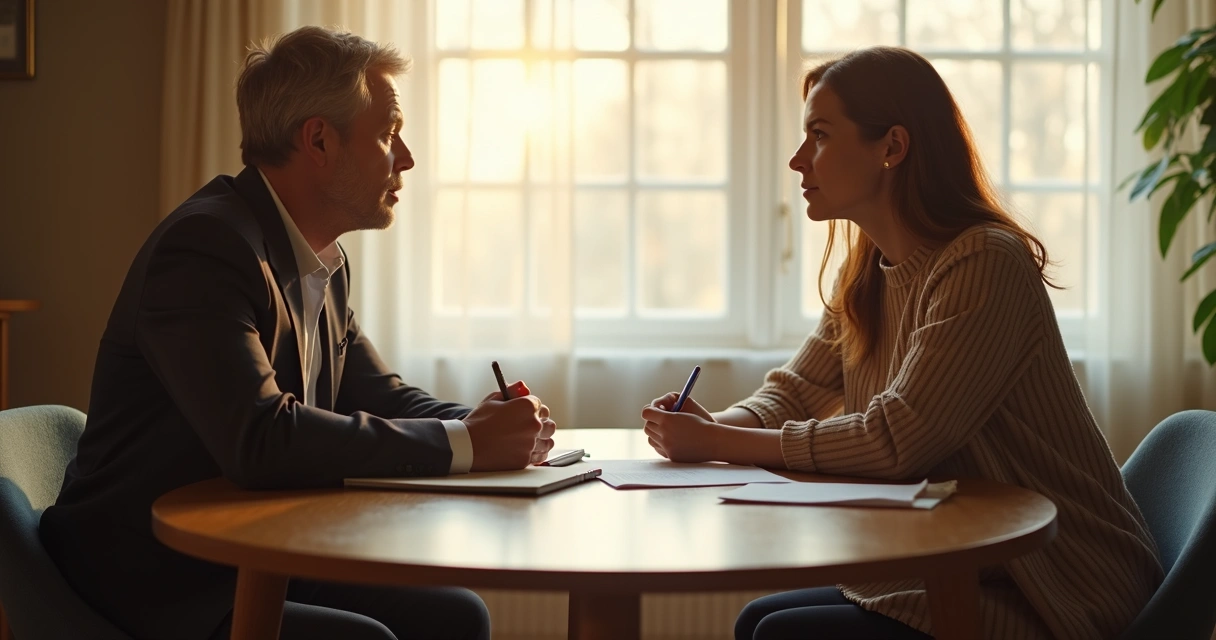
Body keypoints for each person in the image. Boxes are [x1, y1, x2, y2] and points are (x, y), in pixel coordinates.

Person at [39, 26, 555, 640]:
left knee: (457, 616)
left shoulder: (319, 259)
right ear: (318, 140)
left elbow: (380, 395)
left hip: (248, 551)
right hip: (155, 579)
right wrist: (466, 443)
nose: (408, 157)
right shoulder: (206, 248)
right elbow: (261, 439)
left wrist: (484, 423)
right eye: (389, 133)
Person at [641, 46, 1163, 640]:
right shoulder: (868, 271)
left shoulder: (984, 262)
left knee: (777, 634)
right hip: (969, 562)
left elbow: (897, 440)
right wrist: (706, 429)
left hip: (1058, 582)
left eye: (819, 135)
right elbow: (795, 392)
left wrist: (721, 442)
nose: (796, 160)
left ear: (892, 147)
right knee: (759, 618)